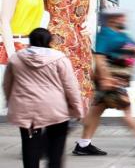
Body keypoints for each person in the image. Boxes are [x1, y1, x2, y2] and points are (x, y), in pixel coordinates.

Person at [73, 8, 135, 155]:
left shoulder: (121, 34)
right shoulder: (105, 34)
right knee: (126, 107)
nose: (124, 20)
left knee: (96, 110)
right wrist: (106, 78)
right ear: (112, 19)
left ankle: (83, 143)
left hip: (116, 80)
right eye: (121, 17)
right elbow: (99, 57)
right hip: (112, 81)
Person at [3, 28, 83, 168]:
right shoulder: (59, 58)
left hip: (26, 109)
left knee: (29, 147)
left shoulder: (16, 58)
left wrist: (11, 102)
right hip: (55, 109)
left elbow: (7, 84)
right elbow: (70, 86)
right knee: (56, 148)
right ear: (50, 41)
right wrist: (77, 109)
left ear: (30, 40)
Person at [47, 0, 97, 114]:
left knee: (81, 82)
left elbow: (91, 11)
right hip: (57, 38)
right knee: (58, 80)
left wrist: (89, 24)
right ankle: (54, 121)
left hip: (80, 38)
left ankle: (75, 130)